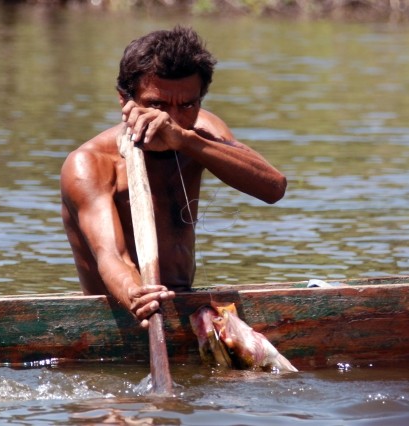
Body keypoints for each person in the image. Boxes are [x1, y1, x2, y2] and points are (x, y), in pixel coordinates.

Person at [60, 27, 287, 329]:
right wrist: (137, 295)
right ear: (123, 100)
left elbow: (273, 187)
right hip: (123, 314)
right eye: (156, 105)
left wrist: (186, 141)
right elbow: (111, 256)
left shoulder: (199, 131)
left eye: (188, 105)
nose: (171, 118)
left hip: (183, 303)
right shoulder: (89, 163)